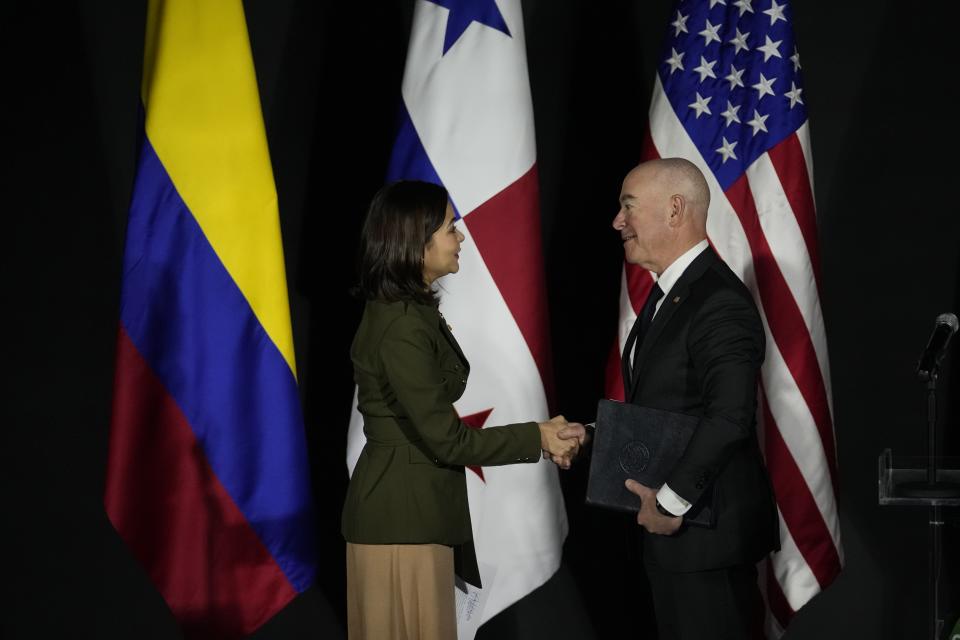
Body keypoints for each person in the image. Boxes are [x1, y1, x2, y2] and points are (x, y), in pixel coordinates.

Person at [341, 180, 581, 640]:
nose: (461, 237)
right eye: (451, 228)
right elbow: (447, 440)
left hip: (414, 514)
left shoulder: (408, 312)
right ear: (416, 242)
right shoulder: (401, 326)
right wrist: (539, 437)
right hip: (400, 522)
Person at [564, 158, 779, 639]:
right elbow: (669, 409)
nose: (617, 221)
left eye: (628, 206)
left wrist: (669, 503)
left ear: (676, 209)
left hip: (707, 538)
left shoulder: (717, 300)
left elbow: (728, 418)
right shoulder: (672, 295)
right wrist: (595, 437)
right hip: (680, 542)